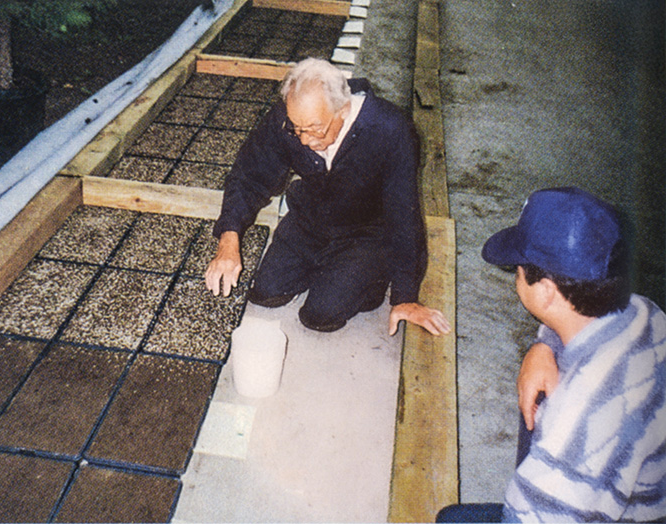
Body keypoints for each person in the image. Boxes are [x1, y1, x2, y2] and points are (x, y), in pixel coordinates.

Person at [438, 187, 666, 522]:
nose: (515, 278)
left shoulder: (579, 420)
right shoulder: (645, 313)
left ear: (546, 292)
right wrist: (545, 343)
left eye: (518, 272)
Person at [204, 58, 450, 336]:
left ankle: (367, 277)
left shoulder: (392, 130)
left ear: (343, 110)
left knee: (320, 315)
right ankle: (326, 271)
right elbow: (249, 175)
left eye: (314, 129)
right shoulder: (286, 119)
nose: (305, 140)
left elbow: (403, 213)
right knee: (266, 292)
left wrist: (406, 296)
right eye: (297, 129)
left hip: (366, 233)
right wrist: (229, 237)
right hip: (311, 221)